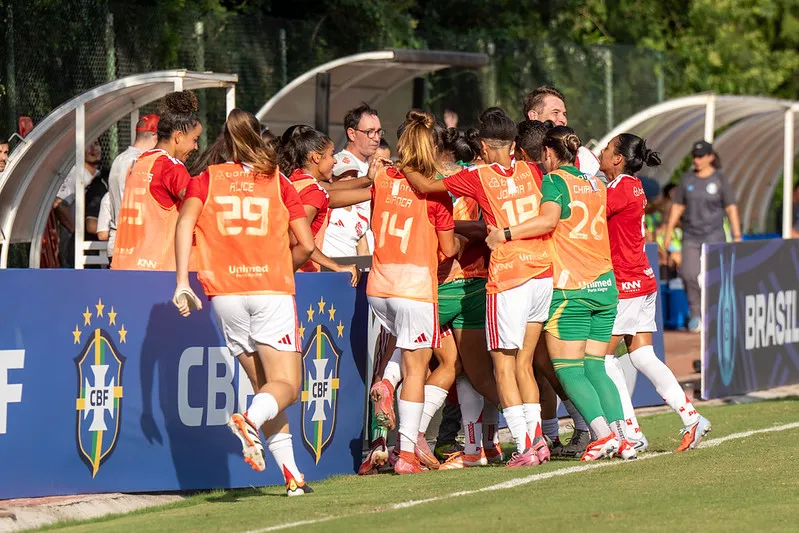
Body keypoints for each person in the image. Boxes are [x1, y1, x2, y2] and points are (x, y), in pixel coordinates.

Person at [173, 109, 316, 497]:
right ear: (258, 137)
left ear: (226, 141)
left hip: (226, 295)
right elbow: (307, 244)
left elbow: (184, 223)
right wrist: (282, 265)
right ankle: (248, 419)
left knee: (265, 388)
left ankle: (292, 477)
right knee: (288, 385)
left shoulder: (206, 179)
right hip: (269, 289)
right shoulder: (277, 180)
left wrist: (182, 281)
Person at [401, 108, 554, 468]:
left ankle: (524, 445)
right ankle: (539, 441)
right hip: (541, 275)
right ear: (514, 144)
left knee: (503, 368)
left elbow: (424, 187)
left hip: (509, 278)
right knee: (526, 366)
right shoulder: (534, 170)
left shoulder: (478, 176)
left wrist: (402, 163)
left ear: (483, 146)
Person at [486, 126, 635, 461]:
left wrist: (505, 233)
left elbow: (548, 221)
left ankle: (603, 436)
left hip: (572, 289)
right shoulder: (597, 183)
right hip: (604, 287)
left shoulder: (554, 181)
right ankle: (624, 436)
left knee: (568, 369)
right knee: (596, 366)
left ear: (549, 154)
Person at [599, 133, 712, 453]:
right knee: (642, 355)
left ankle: (630, 431)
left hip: (626, 283)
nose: (601, 153)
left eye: (606, 150)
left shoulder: (619, 187)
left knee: (603, 359)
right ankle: (691, 418)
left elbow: (588, 215)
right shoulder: (632, 184)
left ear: (618, 159)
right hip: (642, 278)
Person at [366, 110, 462, 475]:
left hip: (380, 285)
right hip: (414, 287)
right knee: (417, 368)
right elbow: (449, 248)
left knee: (404, 349)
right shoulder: (437, 190)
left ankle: (386, 383)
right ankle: (406, 453)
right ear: (433, 146)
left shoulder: (383, 178)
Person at [514, 120, 593, 457]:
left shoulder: (544, 179)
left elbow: (546, 222)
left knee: (534, 362)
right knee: (547, 364)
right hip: (578, 277)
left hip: (542, 278)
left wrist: (503, 233)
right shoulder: (582, 179)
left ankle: (583, 429)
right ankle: (562, 432)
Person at [113, 91, 202, 271]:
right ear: (178, 137)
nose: (196, 147)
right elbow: (195, 200)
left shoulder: (140, 162)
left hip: (125, 263)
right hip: (157, 270)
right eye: (195, 139)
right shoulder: (171, 166)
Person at [663, 140, 742, 332]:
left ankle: (717, 313)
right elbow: (677, 207)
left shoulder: (720, 179)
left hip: (714, 235)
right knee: (689, 274)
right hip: (691, 235)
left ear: (710, 157)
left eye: (701, 156)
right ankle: (696, 314)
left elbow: (731, 208)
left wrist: (737, 235)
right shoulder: (687, 179)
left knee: (716, 276)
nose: (697, 160)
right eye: (694, 156)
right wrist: (668, 231)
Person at [276, 125, 371, 283]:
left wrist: (371, 184)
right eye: (331, 154)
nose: (335, 161)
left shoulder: (294, 178)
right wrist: (337, 266)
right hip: (301, 277)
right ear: (316, 157)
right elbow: (299, 241)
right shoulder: (313, 192)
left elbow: (330, 192)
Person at [106, 114, 159, 266]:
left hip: (116, 241)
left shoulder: (119, 158)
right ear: (155, 137)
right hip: (135, 243)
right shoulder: (142, 161)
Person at [522, 86, 600, 178]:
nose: (563, 120)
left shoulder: (583, 157)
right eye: (555, 112)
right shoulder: (510, 157)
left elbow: (600, 189)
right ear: (533, 116)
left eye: (564, 114)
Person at [53, 139, 103, 268]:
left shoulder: (100, 176)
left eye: (96, 144)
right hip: (74, 245)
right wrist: (75, 232)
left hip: (93, 244)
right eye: (89, 145)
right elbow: (58, 204)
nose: (94, 149)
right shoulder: (75, 173)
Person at [321, 156, 370, 258]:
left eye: (354, 176)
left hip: (351, 272)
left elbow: (364, 253)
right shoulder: (324, 207)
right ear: (331, 179)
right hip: (325, 271)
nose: (350, 180)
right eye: (343, 176)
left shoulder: (360, 213)